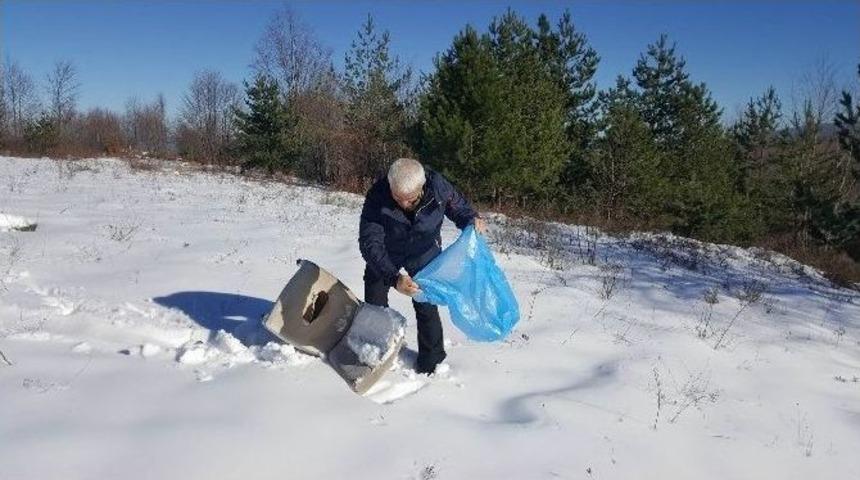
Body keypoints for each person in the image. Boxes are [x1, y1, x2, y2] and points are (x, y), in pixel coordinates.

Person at [358, 158, 486, 374]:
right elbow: (370, 242)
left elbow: (459, 208)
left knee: (425, 301)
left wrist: (472, 219)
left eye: (410, 199)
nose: (403, 204)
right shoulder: (378, 194)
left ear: (422, 186)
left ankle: (431, 361)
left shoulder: (437, 187)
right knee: (375, 291)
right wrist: (394, 278)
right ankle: (377, 348)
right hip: (388, 249)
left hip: (424, 249)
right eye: (397, 198)